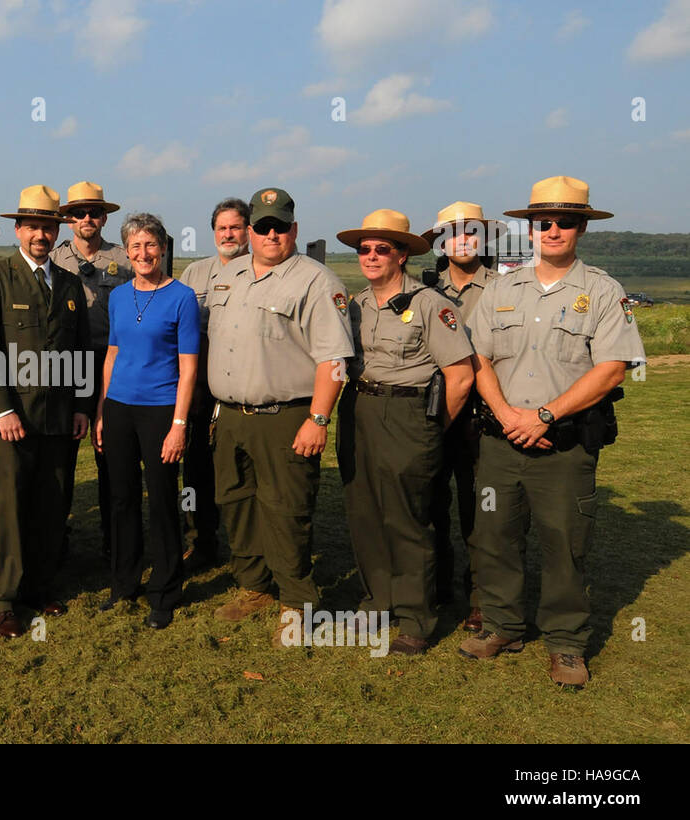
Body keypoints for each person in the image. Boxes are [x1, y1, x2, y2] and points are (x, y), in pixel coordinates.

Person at [459, 176, 645, 688]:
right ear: (531, 228)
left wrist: (542, 416)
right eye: (544, 222)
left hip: (561, 447)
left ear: (582, 226)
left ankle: (566, 644)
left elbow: (610, 369)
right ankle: (502, 625)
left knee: (565, 544)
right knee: (494, 536)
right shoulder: (500, 288)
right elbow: (478, 357)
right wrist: (505, 415)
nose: (554, 229)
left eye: (565, 221)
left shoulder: (603, 291)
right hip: (500, 442)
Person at [206, 188, 354, 648]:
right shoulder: (228, 277)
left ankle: (297, 601)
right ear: (249, 232)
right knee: (236, 501)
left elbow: (333, 359)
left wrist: (318, 419)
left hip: (285, 416)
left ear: (294, 229)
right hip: (230, 415)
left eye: (281, 226)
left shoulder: (315, 281)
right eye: (263, 226)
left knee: (286, 509)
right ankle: (255, 586)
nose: (272, 234)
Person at [336, 209, 475, 655]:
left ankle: (417, 617)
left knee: (409, 519)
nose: (371, 256)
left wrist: (432, 430)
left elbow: (461, 376)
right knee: (365, 513)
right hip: (359, 411)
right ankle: (377, 602)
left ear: (402, 255)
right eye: (364, 249)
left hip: (408, 415)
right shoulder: (355, 305)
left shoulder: (432, 304)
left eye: (382, 249)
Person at [0, 185, 93, 638]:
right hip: (9, 419)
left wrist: (80, 404)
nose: (41, 234)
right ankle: (0, 599)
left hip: (58, 418)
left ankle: (38, 587)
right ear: (18, 229)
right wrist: (2, 410)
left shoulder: (69, 283)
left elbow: (79, 348)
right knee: (6, 510)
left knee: (49, 504)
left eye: (48, 226)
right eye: (33, 226)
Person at [94, 213, 199, 629]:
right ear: (126, 252)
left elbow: (188, 367)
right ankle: (124, 582)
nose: (143, 253)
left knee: (161, 500)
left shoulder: (182, 297)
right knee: (120, 499)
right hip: (118, 407)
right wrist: (102, 409)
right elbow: (112, 355)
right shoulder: (118, 296)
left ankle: (165, 591)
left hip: (160, 410)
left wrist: (179, 424)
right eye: (135, 246)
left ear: (163, 248)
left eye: (150, 245)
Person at [420, 201, 504, 632]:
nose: (463, 241)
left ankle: (480, 597)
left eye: (471, 232)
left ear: (484, 239)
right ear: (441, 242)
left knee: (480, 509)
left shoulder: (505, 288)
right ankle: (435, 587)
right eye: (453, 233)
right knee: (431, 502)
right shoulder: (425, 289)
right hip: (436, 409)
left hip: (482, 415)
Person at [50, 181, 132, 563]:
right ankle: (57, 535)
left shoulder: (125, 259)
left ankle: (114, 538)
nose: (87, 218)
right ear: (68, 219)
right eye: (79, 212)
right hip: (68, 363)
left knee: (110, 453)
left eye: (94, 212)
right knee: (61, 455)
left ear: (105, 217)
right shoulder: (54, 259)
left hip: (111, 361)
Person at [178, 197, 250, 569]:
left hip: (243, 384)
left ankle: (247, 547)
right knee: (194, 469)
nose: (228, 234)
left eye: (235, 227)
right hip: (200, 387)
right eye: (221, 228)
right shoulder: (194, 274)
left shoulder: (263, 269)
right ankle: (198, 540)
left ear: (248, 231)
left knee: (238, 470)